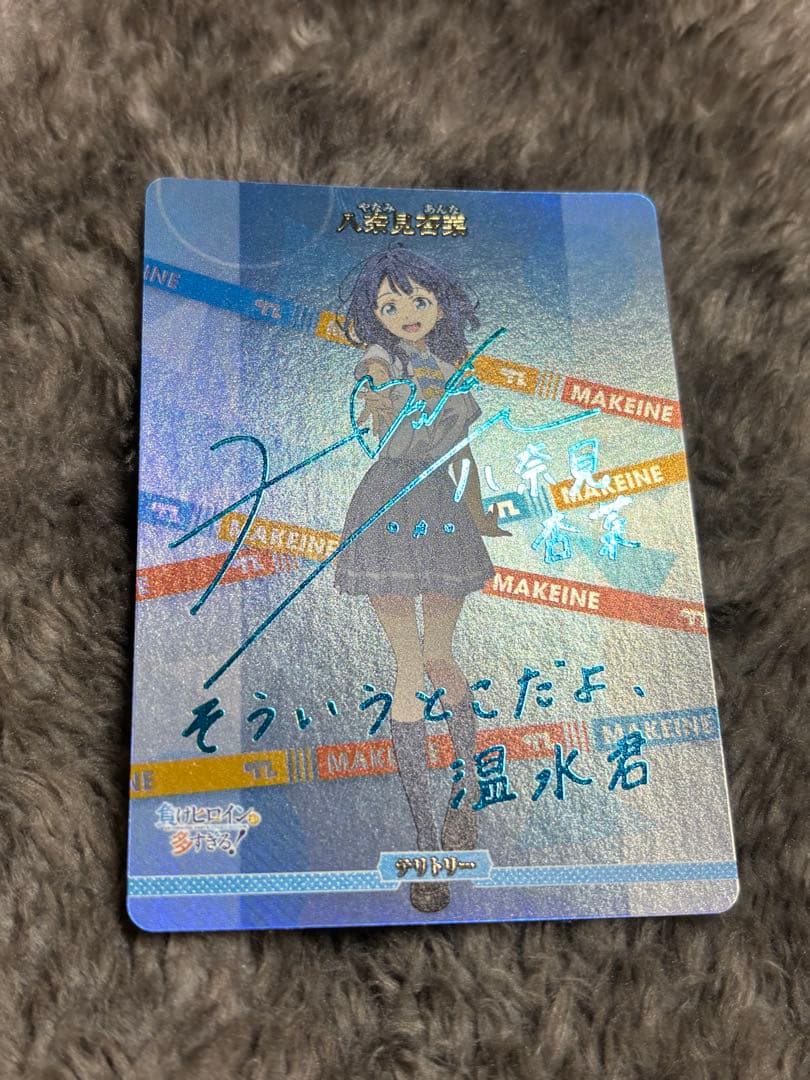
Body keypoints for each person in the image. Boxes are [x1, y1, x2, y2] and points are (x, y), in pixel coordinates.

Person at [333, 246, 506, 913]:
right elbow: (373, 372)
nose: (406, 313)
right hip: (387, 508)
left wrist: (480, 511)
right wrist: (380, 388)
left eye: (418, 301)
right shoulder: (383, 360)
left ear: (439, 303)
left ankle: (466, 794)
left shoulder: (453, 368)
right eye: (389, 304)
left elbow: (462, 449)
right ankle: (425, 838)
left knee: (439, 658)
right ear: (374, 313)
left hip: (443, 510)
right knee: (408, 668)